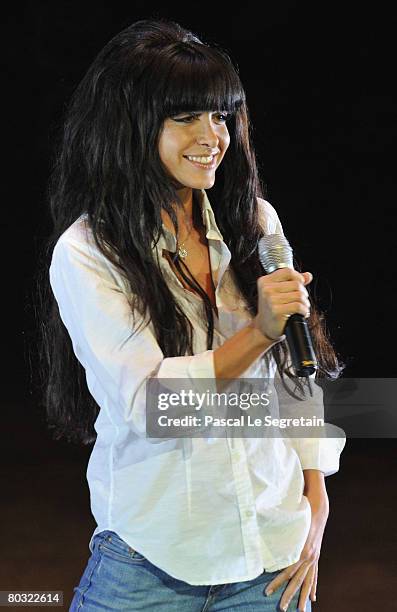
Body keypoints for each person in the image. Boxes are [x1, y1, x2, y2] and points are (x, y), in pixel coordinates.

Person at [36, 17, 346, 611]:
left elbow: (292, 375)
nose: (212, 136)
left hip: (270, 558)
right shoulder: (87, 253)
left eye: (221, 115)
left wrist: (316, 495)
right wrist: (258, 333)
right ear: (129, 125)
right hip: (151, 563)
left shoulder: (255, 221)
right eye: (185, 117)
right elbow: (153, 403)